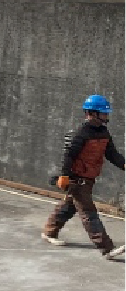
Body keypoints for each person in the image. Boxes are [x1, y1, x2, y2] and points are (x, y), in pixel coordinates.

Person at [43, 94, 126, 260]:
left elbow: (111, 154)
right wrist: (64, 176)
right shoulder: (80, 133)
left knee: (68, 206)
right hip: (77, 179)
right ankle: (107, 249)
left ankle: (49, 231)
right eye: (103, 113)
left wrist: (124, 164)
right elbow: (69, 156)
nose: (106, 116)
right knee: (89, 213)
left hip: (88, 178)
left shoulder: (103, 132)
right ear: (92, 113)